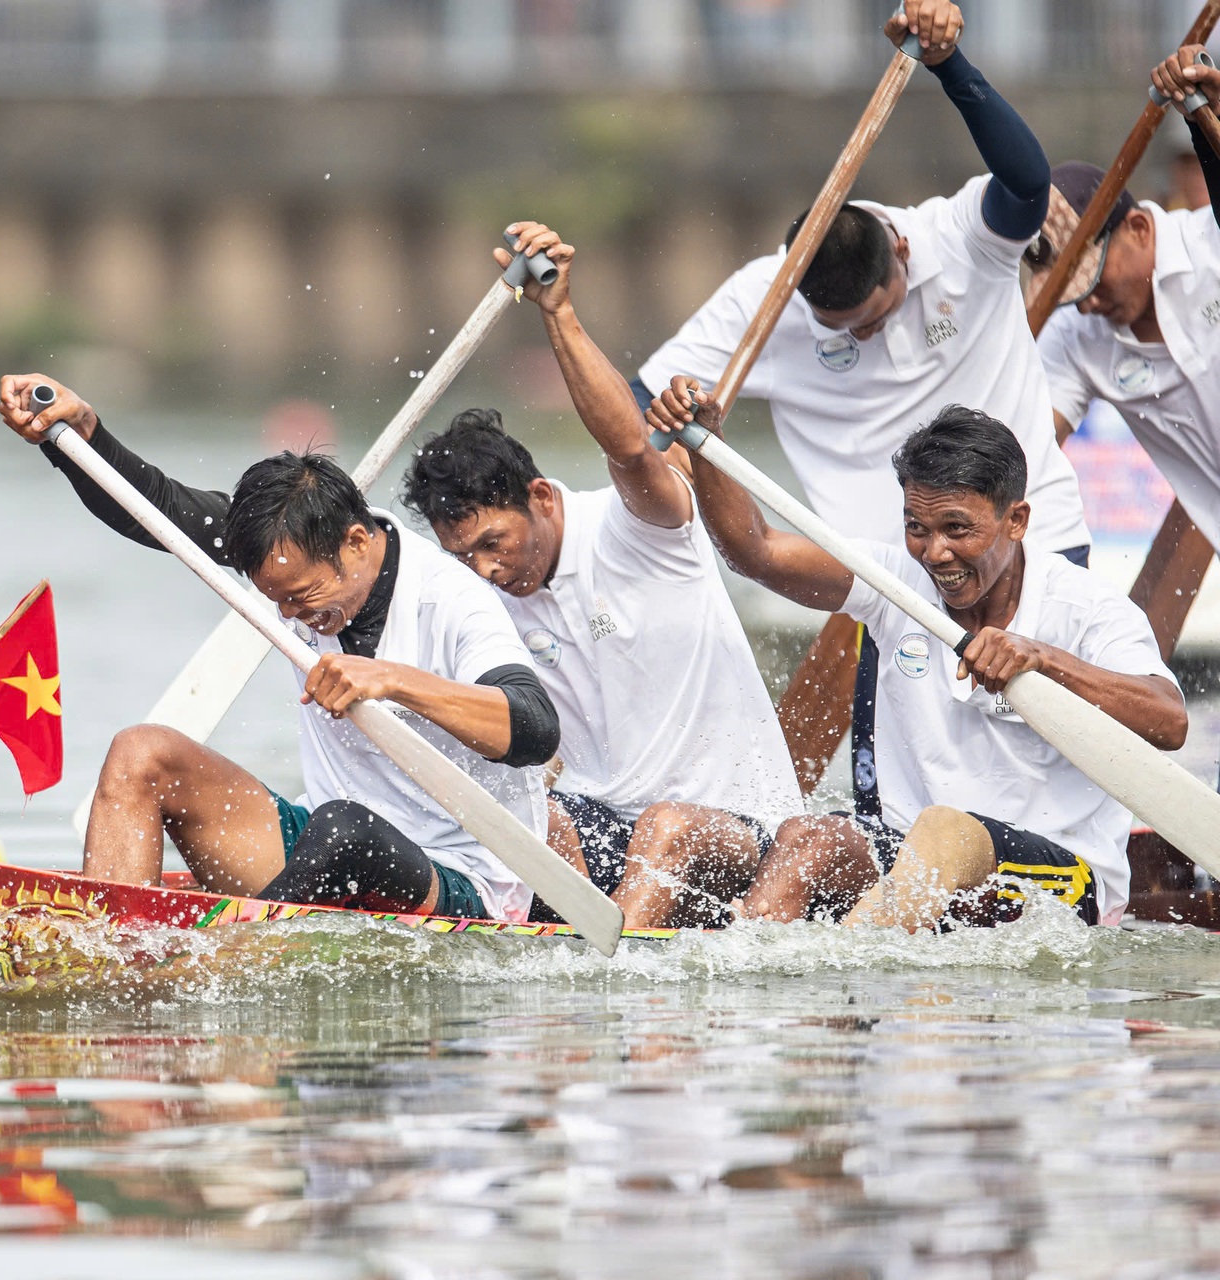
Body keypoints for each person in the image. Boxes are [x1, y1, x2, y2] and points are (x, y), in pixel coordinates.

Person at [634, 0, 1091, 805]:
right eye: (842, 331)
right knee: (893, 802)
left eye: (875, 319)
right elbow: (645, 403)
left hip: (1030, 544)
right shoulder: (765, 298)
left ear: (901, 255)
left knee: (1030, 777)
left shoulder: (956, 239)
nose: (866, 339)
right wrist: (673, 412)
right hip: (892, 582)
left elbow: (1026, 183)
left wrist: (953, 66)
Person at [0, 377, 561, 922]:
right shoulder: (283, 546)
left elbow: (536, 729)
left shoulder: (454, 598)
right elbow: (158, 511)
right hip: (318, 848)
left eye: (303, 598)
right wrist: (79, 437)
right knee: (141, 753)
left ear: (357, 543)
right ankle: (108, 955)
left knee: (346, 831)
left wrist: (391, 679)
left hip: (459, 877)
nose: (291, 616)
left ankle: (228, 965)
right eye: (278, 601)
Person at [648, 379, 1187, 929]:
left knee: (945, 832)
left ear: (1016, 521)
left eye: (957, 528)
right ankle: (765, 980)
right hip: (910, 858)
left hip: (1061, 876)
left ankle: (850, 965)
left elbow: (1168, 722)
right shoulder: (895, 583)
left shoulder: (1085, 607)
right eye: (916, 528)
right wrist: (705, 444)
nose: (935, 554)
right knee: (808, 838)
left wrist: (1042, 660)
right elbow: (756, 553)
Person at [398, 222, 803, 929]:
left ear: (543, 498)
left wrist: (558, 312)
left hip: (742, 834)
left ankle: (608, 984)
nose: (487, 570)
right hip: (604, 828)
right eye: (465, 558)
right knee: (523, 820)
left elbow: (629, 446)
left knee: (668, 828)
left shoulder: (638, 530)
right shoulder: (478, 601)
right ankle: (562, 997)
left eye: (494, 543)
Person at [1038, 47, 1220, 568]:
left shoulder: (1210, 243)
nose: (1088, 303)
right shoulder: (1074, 335)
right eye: (1070, 292)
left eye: (1094, 277)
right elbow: (1026, 447)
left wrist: (1211, 110)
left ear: (1139, 229)